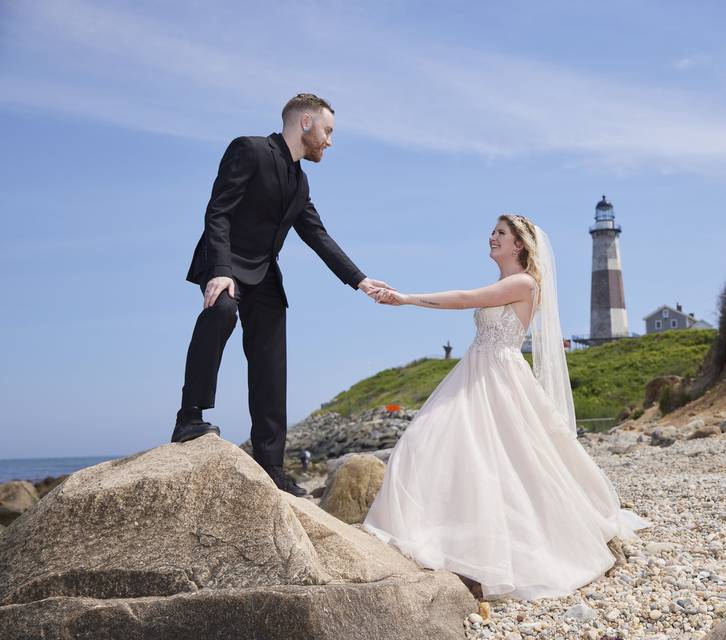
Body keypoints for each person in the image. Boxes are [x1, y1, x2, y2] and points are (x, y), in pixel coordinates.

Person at [362, 215, 649, 601]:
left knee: (500, 464)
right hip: (476, 371)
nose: (492, 238)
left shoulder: (523, 283)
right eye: (493, 232)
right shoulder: (505, 283)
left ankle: (492, 551)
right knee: (432, 447)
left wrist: (407, 298)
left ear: (519, 245)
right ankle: (441, 537)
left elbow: (464, 298)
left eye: (501, 233)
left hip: (497, 377)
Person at [172, 93, 392, 497]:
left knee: (272, 362)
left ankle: (270, 465)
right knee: (220, 313)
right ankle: (189, 417)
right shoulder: (250, 149)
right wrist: (220, 270)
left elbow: (317, 235)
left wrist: (360, 281)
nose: (329, 141)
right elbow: (217, 211)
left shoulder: (299, 180)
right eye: (327, 131)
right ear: (305, 122)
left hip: (265, 273)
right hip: (226, 261)